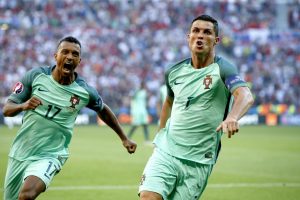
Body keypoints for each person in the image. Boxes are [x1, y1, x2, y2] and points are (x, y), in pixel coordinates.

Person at [2, 36, 137, 200]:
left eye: (75, 54)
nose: (69, 57)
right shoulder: (36, 76)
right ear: (55, 56)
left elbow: (103, 110)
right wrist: (23, 106)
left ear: (79, 60)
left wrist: (124, 138)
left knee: (27, 195)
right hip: (20, 152)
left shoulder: (84, 91)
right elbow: (7, 109)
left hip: (51, 155)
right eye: (65, 52)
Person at [139, 14, 254, 200]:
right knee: (148, 197)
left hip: (199, 160)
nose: (200, 36)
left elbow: (245, 95)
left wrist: (232, 117)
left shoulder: (223, 69)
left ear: (216, 40)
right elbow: (169, 101)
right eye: (196, 31)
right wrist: (160, 135)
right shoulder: (173, 71)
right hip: (166, 153)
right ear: (188, 37)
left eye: (207, 32)